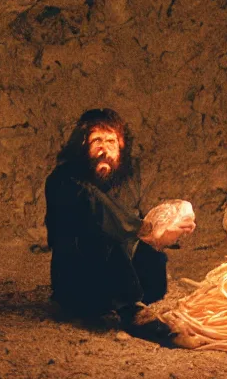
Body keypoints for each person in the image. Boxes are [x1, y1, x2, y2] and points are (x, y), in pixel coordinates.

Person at [43, 108, 195, 336]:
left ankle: (123, 300)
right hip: (77, 281)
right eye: (97, 141)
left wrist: (169, 230)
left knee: (153, 262)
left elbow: (132, 220)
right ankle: (130, 309)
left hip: (116, 275)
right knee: (102, 235)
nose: (104, 150)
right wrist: (149, 230)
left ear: (121, 147)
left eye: (111, 142)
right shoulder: (65, 180)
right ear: (82, 145)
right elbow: (103, 214)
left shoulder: (125, 179)